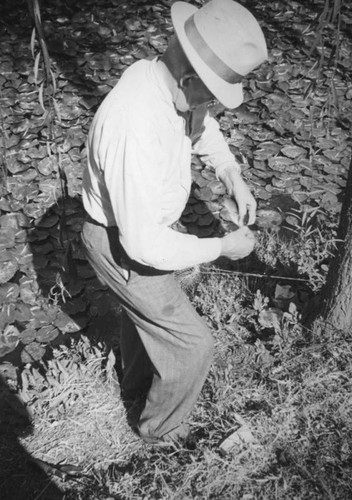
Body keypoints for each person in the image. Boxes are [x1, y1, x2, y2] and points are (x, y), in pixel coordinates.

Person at [81, 0, 267, 446]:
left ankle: (135, 389)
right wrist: (220, 248)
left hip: (143, 231)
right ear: (189, 79)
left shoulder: (167, 81)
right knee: (192, 346)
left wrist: (231, 175)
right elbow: (143, 244)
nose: (212, 106)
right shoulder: (134, 123)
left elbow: (201, 125)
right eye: (212, 94)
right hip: (122, 242)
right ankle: (159, 436)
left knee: (147, 320)